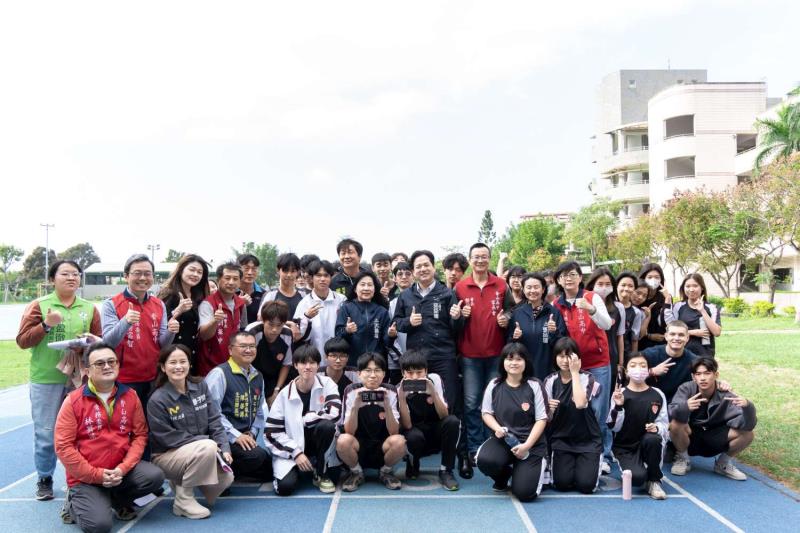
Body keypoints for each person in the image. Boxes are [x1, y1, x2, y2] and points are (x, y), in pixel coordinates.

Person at [55, 342, 165, 532]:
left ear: (118, 365)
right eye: (100, 363)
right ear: (87, 371)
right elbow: (63, 447)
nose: (107, 366)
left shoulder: (130, 396)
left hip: (119, 471)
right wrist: (96, 475)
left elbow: (140, 436)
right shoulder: (73, 401)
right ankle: (73, 503)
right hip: (86, 477)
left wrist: (123, 468)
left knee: (154, 477)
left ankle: (115, 500)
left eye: (111, 362)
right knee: (100, 526)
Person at [16, 260, 102, 501]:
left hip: (80, 379)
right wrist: (46, 325)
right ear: (52, 278)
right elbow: (22, 341)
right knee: (46, 432)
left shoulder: (89, 308)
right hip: (46, 379)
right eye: (65, 273)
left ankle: (81, 479)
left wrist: (91, 341)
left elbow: (100, 340)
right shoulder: (39, 305)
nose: (72, 278)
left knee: (84, 431)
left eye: (76, 274)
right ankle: (45, 478)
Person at [147, 344, 233, 519]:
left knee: (226, 478)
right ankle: (183, 501)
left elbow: (214, 420)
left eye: (183, 361)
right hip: (166, 456)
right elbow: (167, 438)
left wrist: (224, 447)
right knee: (207, 447)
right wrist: (207, 442)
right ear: (163, 367)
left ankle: (180, 482)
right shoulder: (157, 399)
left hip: (198, 450)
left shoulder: (200, 386)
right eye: (172, 363)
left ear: (189, 364)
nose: (178, 366)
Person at [551, 261, 613, 471]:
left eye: (572, 274)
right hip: (571, 366)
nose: (568, 279)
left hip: (597, 363)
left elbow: (606, 324)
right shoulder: (556, 304)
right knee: (577, 408)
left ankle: (603, 455)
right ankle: (582, 451)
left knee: (598, 410)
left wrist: (591, 309)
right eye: (563, 275)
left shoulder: (592, 297)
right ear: (558, 281)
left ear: (580, 277)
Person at [101, 253, 177, 407]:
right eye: (137, 273)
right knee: (127, 418)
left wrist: (171, 331)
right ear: (126, 276)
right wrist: (126, 322)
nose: (143, 278)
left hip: (154, 377)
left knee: (152, 418)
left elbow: (162, 344)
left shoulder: (159, 304)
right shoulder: (111, 304)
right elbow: (108, 342)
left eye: (147, 274)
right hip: (124, 378)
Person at [476, 343, 548, 502]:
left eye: (519, 359)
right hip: (504, 441)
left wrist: (527, 446)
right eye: (509, 359)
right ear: (503, 362)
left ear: (526, 362)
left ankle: (535, 467)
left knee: (524, 494)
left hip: (530, 445)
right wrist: (497, 428)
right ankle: (504, 476)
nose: (514, 363)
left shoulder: (535, 385)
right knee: (484, 460)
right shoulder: (494, 384)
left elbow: (541, 419)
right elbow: (486, 413)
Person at [265, 344, 341, 495]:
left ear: (318, 365)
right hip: (293, 446)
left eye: (312, 363)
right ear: (295, 365)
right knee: (285, 488)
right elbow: (271, 432)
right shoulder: (284, 394)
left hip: (319, 444)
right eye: (303, 363)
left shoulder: (327, 384)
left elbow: (335, 413)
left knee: (326, 426)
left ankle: (321, 472)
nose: (308, 367)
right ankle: (300, 466)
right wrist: (296, 453)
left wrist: (305, 420)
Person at [393, 250, 463, 409]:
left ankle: (450, 424)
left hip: (443, 357)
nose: (423, 269)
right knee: (418, 398)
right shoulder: (405, 296)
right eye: (418, 267)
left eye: (426, 265)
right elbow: (396, 323)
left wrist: (457, 317)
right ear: (413, 271)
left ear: (433, 267)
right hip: (416, 360)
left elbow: (457, 330)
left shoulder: (447, 293)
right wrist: (409, 322)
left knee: (448, 397)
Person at [669, 357, 756, 480]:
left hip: (714, 438)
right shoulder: (686, 388)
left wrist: (748, 407)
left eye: (707, 373)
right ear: (693, 377)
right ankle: (683, 459)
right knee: (675, 424)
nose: (702, 378)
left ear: (716, 375)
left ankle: (723, 464)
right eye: (698, 374)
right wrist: (685, 407)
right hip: (690, 438)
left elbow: (747, 425)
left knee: (748, 434)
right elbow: (671, 413)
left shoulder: (726, 394)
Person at [205, 331, 273, 483]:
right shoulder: (220, 374)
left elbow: (259, 411)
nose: (248, 350)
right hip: (221, 437)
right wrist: (236, 436)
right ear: (230, 349)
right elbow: (211, 413)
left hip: (245, 436)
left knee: (269, 469)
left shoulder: (257, 376)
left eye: (252, 346)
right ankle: (219, 470)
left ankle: (230, 472)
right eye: (243, 346)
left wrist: (252, 433)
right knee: (257, 457)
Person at [337, 352, 406, 491]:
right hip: (359, 446)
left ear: (384, 374)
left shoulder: (391, 391)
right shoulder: (351, 391)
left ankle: (385, 472)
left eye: (377, 370)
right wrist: (356, 406)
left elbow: (394, 431)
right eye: (368, 370)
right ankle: (356, 472)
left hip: (382, 446)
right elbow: (349, 431)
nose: (373, 375)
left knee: (399, 441)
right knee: (343, 440)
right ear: (359, 374)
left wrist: (387, 406)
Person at [543, 337, 604, 494]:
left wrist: (575, 373)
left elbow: (580, 403)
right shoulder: (550, 380)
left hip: (588, 439)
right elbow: (546, 418)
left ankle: (592, 463)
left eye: (569, 356)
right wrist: (550, 410)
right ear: (555, 357)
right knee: (562, 484)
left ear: (577, 357)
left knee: (586, 486)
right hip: (561, 439)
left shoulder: (587, 378)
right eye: (561, 356)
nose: (565, 361)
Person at [607, 351, 669, 500]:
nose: (638, 369)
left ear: (648, 370)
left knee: (653, 439)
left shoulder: (658, 394)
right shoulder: (620, 393)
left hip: (648, 443)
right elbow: (613, 426)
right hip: (625, 447)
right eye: (633, 365)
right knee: (637, 478)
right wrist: (619, 406)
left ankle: (654, 480)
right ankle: (641, 470)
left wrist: (657, 428)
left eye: (642, 365)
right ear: (627, 371)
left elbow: (664, 423)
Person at [397, 350, 460, 490]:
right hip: (415, 434)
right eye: (410, 373)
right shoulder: (399, 388)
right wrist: (402, 397)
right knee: (413, 436)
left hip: (435, 430)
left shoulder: (434, 379)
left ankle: (446, 470)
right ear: (403, 373)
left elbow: (444, 415)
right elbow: (407, 425)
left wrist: (433, 393)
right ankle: (413, 461)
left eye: (419, 372)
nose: (415, 377)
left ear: (426, 371)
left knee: (452, 421)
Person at [507, 272, 567, 380]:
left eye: (536, 287)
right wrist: (515, 337)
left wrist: (554, 331)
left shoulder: (553, 312)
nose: (532, 291)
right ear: (523, 289)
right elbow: (509, 343)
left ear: (543, 289)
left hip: (548, 369)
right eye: (529, 287)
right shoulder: (517, 313)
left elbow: (562, 343)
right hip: (523, 370)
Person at [158, 254, 210, 372]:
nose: (195, 274)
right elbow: (160, 326)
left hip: (192, 354)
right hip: (173, 356)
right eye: (192, 270)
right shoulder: (169, 294)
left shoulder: (199, 296)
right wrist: (178, 311)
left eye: (199, 272)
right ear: (181, 270)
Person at [196, 262, 248, 376]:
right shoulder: (207, 303)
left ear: (240, 282)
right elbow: (204, 335)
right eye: (227, 278)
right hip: (210, 368)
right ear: (219, 279)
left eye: (235, 279)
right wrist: (215, 321)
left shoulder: (241, 304)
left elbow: (243, 332)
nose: (231, 282)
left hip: (234, 365)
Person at [334, 271, 391, 367]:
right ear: (355, 289)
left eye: (370, 285)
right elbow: (338, 336)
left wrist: (391, 335)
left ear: (375, 289)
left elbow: (387, 342)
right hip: (352, 363)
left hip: (376, 364)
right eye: (362, 284)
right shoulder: (346, 308)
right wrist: (347, 330)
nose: (366, 288)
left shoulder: (382, 311)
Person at [245, 300, 295, 407]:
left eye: (279, 325)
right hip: (252, 374)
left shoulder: (287, 334)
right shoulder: (252, 332)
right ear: (263, 320)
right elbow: (244, 362)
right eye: (271, 324)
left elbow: (286, 364)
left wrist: (276, 390)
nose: (274, 329)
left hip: (274, 377)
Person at [294, 259, 346, 359]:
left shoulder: (341, 300)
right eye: (318, 275)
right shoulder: (304, 303)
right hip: (313, 358)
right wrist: (306, 317)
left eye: (326, 275)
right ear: (311, 278)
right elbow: (297, 334)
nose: (322, 279)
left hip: (338, 358)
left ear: (331, 277)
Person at [665, 273, 722, 357]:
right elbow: (671, 329)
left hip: (705, 354)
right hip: (682, 354)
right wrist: (693, 332)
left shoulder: (711, 307)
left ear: (702, 287)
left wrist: (702, 311)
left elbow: (717, 332)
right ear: (683, 288)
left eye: (695, 286)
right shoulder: (678, 306)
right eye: (687, 286)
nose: (691, 289)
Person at [641, 321, 699, 402]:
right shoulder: (648, 355)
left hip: (679, 404)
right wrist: (652, 371)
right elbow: (628, 377)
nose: (676, 338)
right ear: (666, 336)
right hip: (649, 402)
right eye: (672, 334)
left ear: (687, 338)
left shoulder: (694, 361)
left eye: (681, 335)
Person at [386, 261, 414, 384]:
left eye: (408, 274)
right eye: (400, 274)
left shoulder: (421, 300)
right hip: (397, 361)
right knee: (399, 391)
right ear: (394, 278)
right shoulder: (390, 304)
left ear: (413, 276)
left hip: (419, 360)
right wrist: (400, 357)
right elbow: (389, 333)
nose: (404, 277)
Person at [638, 263, 672, 350]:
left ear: (661, 279)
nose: (653, 280)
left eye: (657, 277)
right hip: (641, 342)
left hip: (662, 342)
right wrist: (649, 335)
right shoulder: (638, 297)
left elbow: (669, 321)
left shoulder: (665, 296)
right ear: (643, 278)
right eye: (649, 277)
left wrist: (667, 300)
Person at [260, 253, 304, 317]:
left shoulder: (303, 295)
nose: (289, 275)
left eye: (293, 271)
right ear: (278, 271)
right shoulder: (271, 295)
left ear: (297, 272)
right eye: (285, 271)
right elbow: (261, 318)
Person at [616, 272, 644, 360]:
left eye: (630, 286)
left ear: (634, 289)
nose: (626, 288)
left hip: (626, 353)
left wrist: (634, 359)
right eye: (623, 285)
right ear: (617, 286)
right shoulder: (609, 306)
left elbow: (634, 338)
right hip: (608, 352)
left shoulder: (636, 312)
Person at [237, 253, 267, 324]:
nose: (250, 273)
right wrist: (239, 304)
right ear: (238, 270)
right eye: (246, 268)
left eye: (254, 269)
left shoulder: (264, 294)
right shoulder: (230, 292)